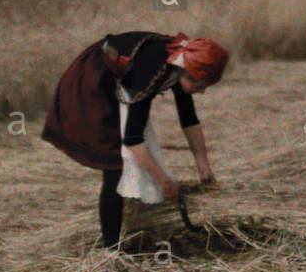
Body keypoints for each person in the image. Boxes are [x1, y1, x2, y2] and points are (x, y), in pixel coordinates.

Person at [42, 31, 228, 248]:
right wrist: (164, 181)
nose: (202, 92)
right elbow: (133, 139)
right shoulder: (152, 72)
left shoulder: (181, 61)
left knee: (125, 160)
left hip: (120, 79)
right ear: (186, 71)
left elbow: (188, 118)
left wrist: (204, 169)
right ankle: (112, 250)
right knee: (114, 164)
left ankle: (127, 229)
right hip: (94, 78)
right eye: (199, 86)